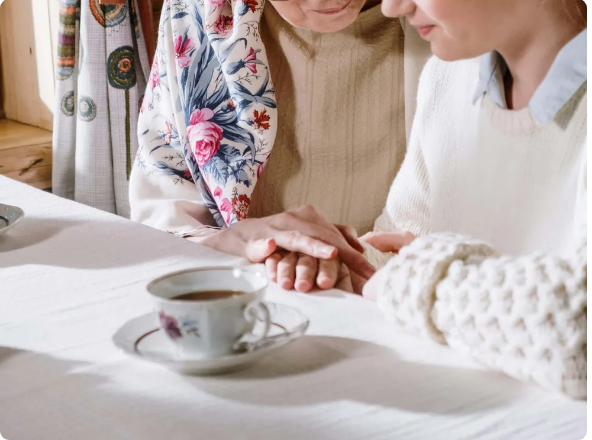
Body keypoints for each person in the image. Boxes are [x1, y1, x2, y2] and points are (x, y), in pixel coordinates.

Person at [355, 0, 586, 398]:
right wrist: (336, 259)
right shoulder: (447, 77)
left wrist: (413, 282)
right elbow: (397, 253)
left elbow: (580, 331)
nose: (392, 8)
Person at [129, 0, 431, 293]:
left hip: (411, 293)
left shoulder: (448, 20)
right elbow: (159, 212)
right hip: (249, 294)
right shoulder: (196, 10)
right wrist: (226, 242)